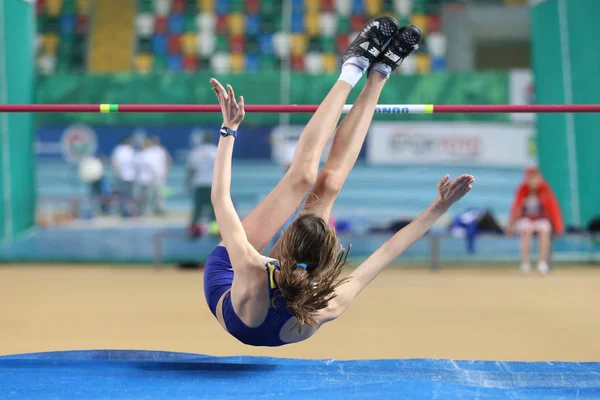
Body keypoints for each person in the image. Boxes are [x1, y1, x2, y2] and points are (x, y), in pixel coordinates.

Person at [204, 19, 474, 347]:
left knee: (300, 178)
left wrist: (228, 130)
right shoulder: (329, 302)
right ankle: (379, 72)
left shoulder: (248, 266)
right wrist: (438, 208)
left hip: (227, 282)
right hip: (278, 282)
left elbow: (220, 198)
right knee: (326, 185)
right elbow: (387, 252)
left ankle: (352, 67)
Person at [506, 166, 563, 275]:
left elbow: (553, 208)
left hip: (540, 219)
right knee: (526, 230)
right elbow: (516, 208)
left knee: (544, 229)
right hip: (526, 219)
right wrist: (511, 226)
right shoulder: (523, 189)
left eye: (536, 178)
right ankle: (525, 263)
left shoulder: (545, 189)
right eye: (531, 179)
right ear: (528, 179)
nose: (534, 181)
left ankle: (542, 263)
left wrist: (558, 226)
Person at [187, 131, 218, 236]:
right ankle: (214, 231)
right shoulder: (216, 151)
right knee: (214, 210)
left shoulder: (196, 152)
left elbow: (191, 170)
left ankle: (194, 232)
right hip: (212, 184)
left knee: (198, 209)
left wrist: (189, 183)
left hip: (200, 184)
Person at [111, 136, 135, 217]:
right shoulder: (119, 150)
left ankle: (130, 211)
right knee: (123, 195)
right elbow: (115, 163)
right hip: (122, 176)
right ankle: (124, 211)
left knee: (130, 195)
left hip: (131, 176)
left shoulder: (131, 150)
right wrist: (118, 174)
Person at [147, 136, 172, 216]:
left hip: (160, 175)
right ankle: (153, 209)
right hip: (151, 175)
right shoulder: (149, 151)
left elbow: (168, 160)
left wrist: (166, 170)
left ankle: (161, 209)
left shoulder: (161, 150)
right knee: (152, 193)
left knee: (161, 193)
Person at [133, 139, 157, 216]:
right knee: (140, 197)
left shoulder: (151, 155)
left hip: (149, 178)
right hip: (140, 179)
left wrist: (154, 177)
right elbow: (135, 167)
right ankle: (140, 211)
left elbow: (153, 167)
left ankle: (147, 211)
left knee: (148, 197)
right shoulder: (138, 155)